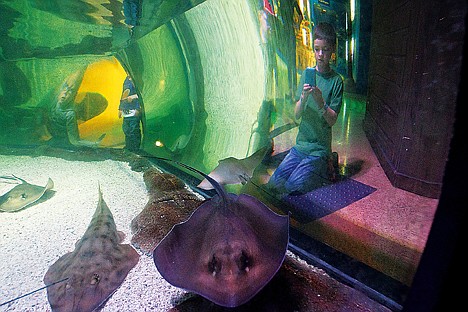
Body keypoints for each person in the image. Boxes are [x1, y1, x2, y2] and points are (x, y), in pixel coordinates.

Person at [267, 22, 343, 196]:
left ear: (332, 50)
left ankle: (327, 162)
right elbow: (296, 114)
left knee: (293, 186)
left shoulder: (336, 81)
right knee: (274, 184)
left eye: (325, 50)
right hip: (301, 146)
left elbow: (332, 120)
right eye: (317, 49)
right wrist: (303, 97)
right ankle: (325, 163)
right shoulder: (306, 76)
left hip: (319, 149)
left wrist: (320, 102)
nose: (320, 55)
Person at [43, 69, 105, 148]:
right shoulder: (54, 101)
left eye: (70, 91)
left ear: (73, 96)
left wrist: (93, 144)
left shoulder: (70, 114)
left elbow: (74, 141)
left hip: (62, 144)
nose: (65, 93)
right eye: (65, 88)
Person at [118, 74, 142, 152]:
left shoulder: (138, 78)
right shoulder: (127, 79)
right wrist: (120, 108)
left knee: (133, 129)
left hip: (134, 108)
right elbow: (124, 94)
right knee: (126, 129)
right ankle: (128, 147)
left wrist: (138, 108)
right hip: (126, 110)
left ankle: (135, 148)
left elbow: (143, 93)